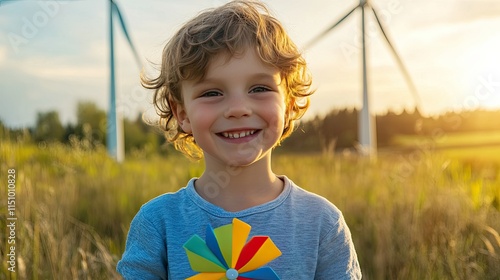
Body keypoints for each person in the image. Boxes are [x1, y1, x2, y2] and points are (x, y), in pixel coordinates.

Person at [117, 1, 361, 279]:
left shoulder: (322, 223)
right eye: (212, 93)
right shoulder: (158, 223)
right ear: (182, 114)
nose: (238, 108)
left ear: (290, 104)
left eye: (259, 88)